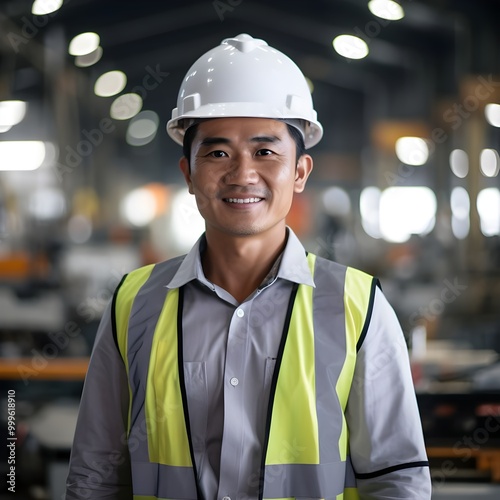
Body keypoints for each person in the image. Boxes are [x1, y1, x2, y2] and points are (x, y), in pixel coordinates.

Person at [65, 33, 432, 499]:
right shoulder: (134, 303)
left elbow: (397, 479)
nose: (242, 173)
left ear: (299, 172)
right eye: (218, 153)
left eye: (265, 152)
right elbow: (95, 474)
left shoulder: (357, 306)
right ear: (188, 174)